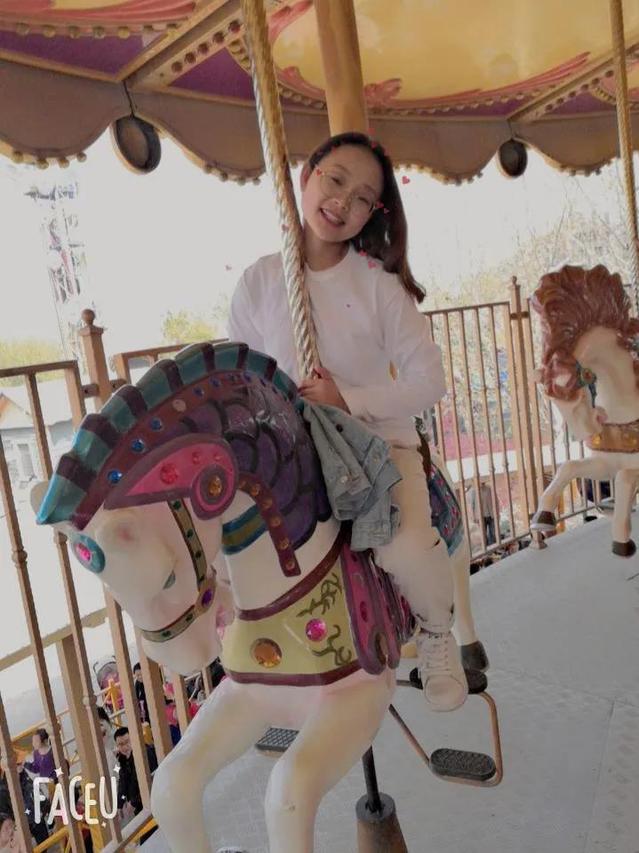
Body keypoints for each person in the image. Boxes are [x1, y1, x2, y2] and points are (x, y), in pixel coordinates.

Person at [228, 131, 467, 712]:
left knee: (404, 547)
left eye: (362, 198)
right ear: (306, 176)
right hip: (294, 451)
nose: (342, 202)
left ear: (372, 214)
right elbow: (243, 374)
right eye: (335, 180)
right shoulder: (260, 281)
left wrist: (349, 400)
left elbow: (429, 380)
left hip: (377, 444)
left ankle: (438, 633)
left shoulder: (378, 285)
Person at [468, 480, 496, 546]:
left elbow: (494, 500)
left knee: (493, 533)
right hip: (481, 517)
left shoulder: (489, 488)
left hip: (491, 515)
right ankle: (487, 549)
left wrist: (496, 513)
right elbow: (472, 505)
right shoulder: (473, 491)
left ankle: (494, 547)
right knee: (484, 535)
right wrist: (473, 517)